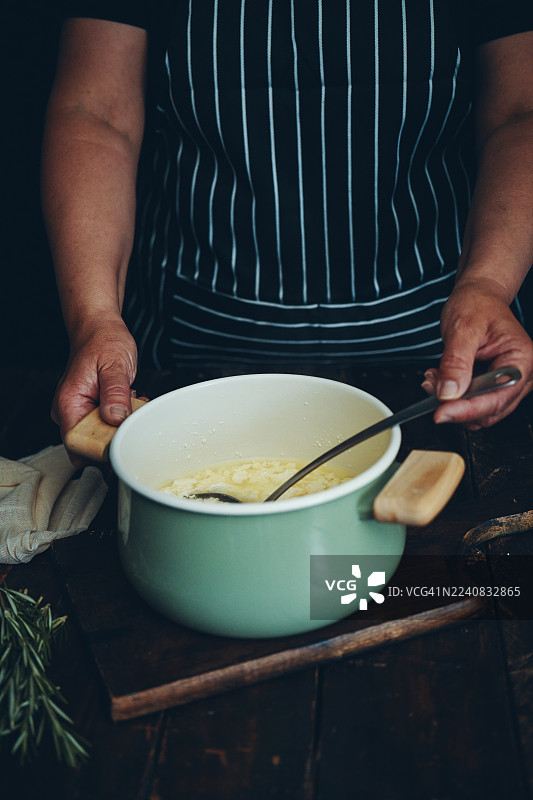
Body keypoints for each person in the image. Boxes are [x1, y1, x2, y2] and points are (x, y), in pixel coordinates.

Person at [41, 1, 533, 447]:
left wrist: (489, 282)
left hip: (437, 342)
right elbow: (95, 112)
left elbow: (519, 113)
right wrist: (95, 317)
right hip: (192, 336)